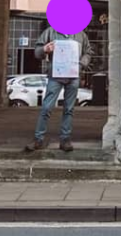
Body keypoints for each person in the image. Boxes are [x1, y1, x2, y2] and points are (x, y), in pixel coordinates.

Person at [25, 23, 91, 154]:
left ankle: (65, 140)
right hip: (55, 75)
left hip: (73, 76)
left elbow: (88, 52)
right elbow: (37, 52)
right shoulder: (50, 32)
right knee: (46, 108)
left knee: (69, 109)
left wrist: (81, 64)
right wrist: (45, 49)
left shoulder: (81, 34)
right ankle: (38, 139)